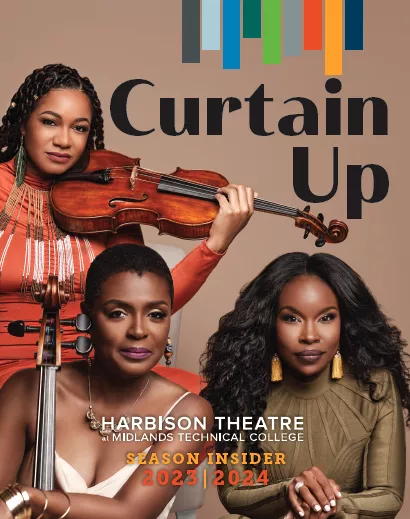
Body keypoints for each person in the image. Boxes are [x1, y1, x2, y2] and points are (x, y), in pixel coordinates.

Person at [0, 63, 255, 387]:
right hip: (11, 373)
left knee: (206, 401)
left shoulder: (106, 201)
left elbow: (150, 300)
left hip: (98, 371)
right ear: (24, 124)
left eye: (79, 128)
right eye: (50, 122)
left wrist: (214, 245)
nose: (64, 140)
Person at [0, 243, 214, 519]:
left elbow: (132, 513)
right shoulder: (28, 389)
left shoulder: (189, 413)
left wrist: (28, 498)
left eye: (156, 315)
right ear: (88, 318)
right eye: (118, 313)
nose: (138, 330)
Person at [201, 252, 408, 519]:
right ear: (269, 321)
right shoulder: (241, 383)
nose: (310, 336)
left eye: (326, 318)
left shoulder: (375, 384)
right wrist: (290, 491)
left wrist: (332, 506)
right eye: (291, 318)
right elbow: (232, 492)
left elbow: (389, 496)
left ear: (344, 321)